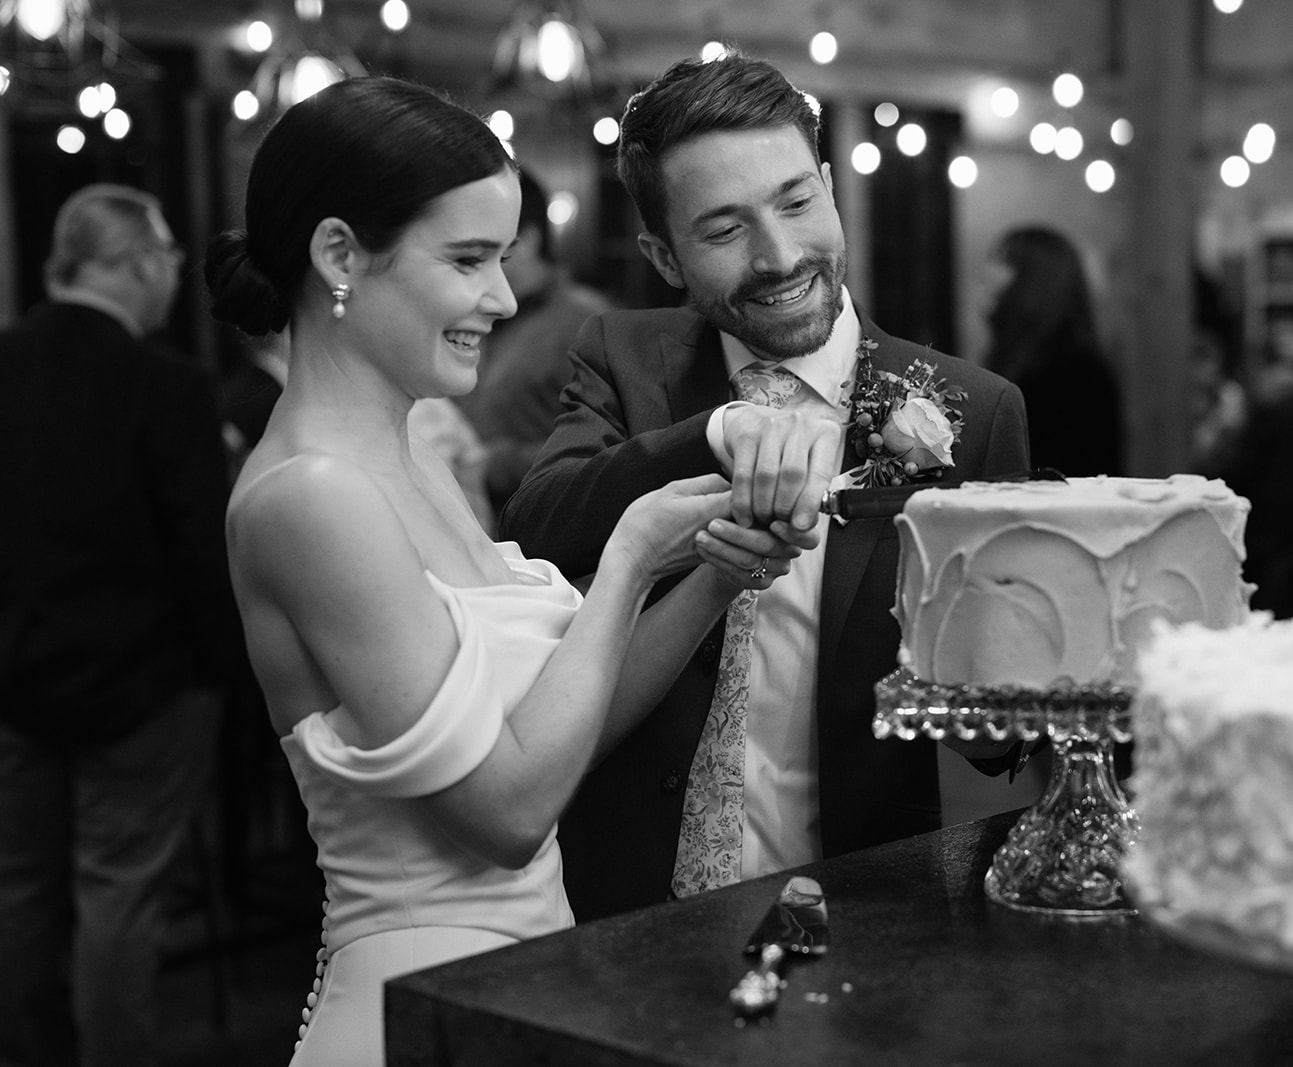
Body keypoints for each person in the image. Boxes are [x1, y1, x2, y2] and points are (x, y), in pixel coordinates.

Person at [204, 75, 790, 1067]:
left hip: (519, 976)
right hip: (413, 998)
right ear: (340, 254)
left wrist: (714, 579)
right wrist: (632, 554)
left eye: (504, 259)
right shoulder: (311, 494)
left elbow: (555, 739)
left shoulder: (410, 451)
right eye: (468, 259)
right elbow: (507, 813)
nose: (504, 298)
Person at [502, 52, 1032, 922]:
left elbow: (992, 741)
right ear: (663, 256)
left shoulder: (975, 410)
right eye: (723, 230)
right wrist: (712, 433)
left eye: (796, 202)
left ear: (829, 185)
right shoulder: (623, 360)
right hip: (629, 908)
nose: (780, 255)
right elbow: (538, 523)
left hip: (866, 906)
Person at [0, 183, 238, 1067]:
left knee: (20, 887)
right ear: (139, 263)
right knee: (120, 895)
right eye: (171, 258)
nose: (174, 275)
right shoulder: (165, 384)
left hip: (17, 674)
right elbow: (199, 547)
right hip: (143, 684)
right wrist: (217, 673)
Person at [457, 169, 612, 519]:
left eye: (483, 250)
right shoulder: (472, 313)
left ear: (526, 239)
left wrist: (494, 463)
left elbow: (609, 449)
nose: (472, 267)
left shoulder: (585, 321)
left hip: (547, 537)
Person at [979, 225, 1124, 476]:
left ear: (1034, 278)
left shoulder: (1075, 371)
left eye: (1002, 260)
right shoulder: (1022, 359)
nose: (987, 272)